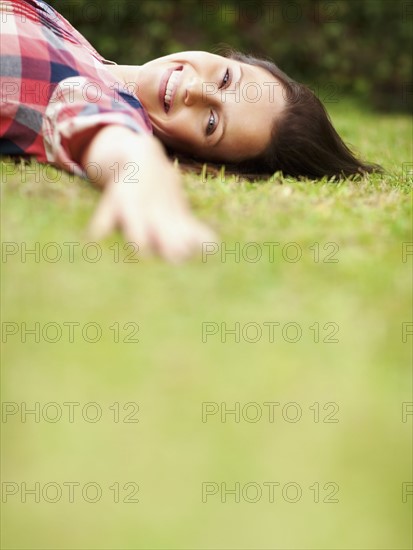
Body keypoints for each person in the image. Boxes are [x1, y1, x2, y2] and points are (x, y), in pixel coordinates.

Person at [1, 0, 381, 261]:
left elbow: (103, 126)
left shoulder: (96, 96)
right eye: (227, 78)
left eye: (212, 123)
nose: (196, 91)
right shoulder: (75, 43)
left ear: (192, 156)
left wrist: (140, 164)